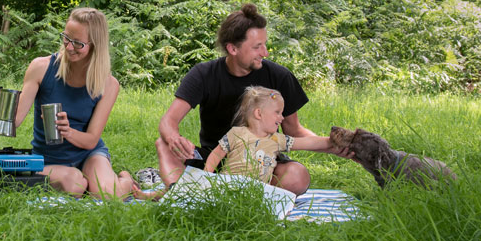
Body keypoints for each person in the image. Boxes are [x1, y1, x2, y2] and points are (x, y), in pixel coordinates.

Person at [153, 3, 354, 195]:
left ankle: (249, 196)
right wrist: (175, 139)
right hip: (215, 158)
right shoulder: (203, 74)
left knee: (297, 176)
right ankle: (181, 197)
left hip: (263, 160)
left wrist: (333, 145)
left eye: (264, 44)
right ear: (233, 49)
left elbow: (294, 130)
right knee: (163, 144)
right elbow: (168, 121)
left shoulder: (279, 76)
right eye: (257, 47)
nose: (265, 53)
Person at [0, 7, 135, 199]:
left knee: (109, 195)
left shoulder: (108, 84)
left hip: (89, 154)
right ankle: (87, 181)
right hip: (49, 159)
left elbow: (91, 140)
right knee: (75, 184)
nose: (69, 47)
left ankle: (126, 179)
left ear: (95, 45)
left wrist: (67, 132)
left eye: (78, 43)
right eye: (66, 38)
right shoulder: (41, 67)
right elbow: (16, 120)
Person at [135, 86, 334, 201]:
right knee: (192, 191)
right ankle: (154, 194)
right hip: (226, 184)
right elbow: (217, 153)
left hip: (256, 191)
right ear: (258, 114)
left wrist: (333, 143)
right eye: (277, 113)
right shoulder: (237, 133)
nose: (282, 118)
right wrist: (208, 174)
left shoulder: (276, 140)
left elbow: (306, 143)